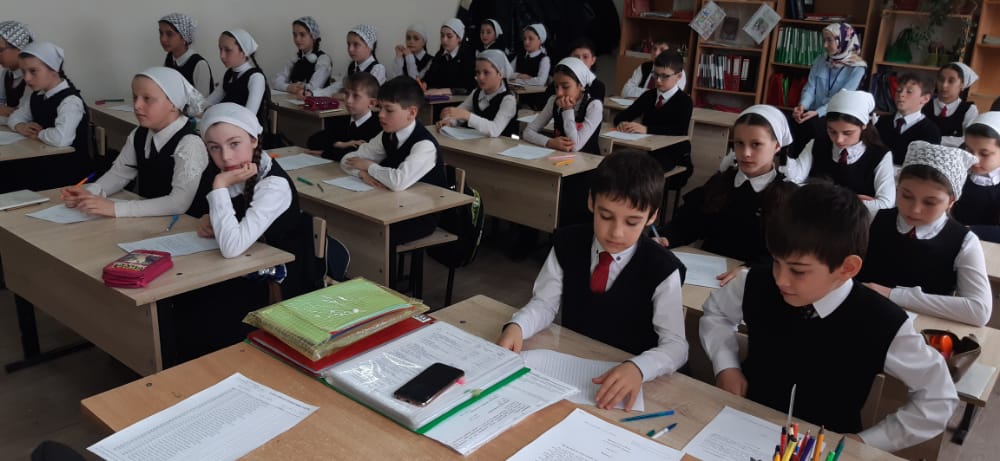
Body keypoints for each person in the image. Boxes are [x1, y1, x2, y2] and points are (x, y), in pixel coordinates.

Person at [700, 182, 959, 452]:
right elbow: (716, 314)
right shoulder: (753, 281)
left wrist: (866, 442)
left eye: (798, 270)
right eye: (776, 261)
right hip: (743, 425)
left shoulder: (883, 322)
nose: (780, 279)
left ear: (847, 268)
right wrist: (726, 366)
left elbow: (939, 398)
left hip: (822, 447)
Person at [497, 150, 687, 411]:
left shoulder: (662, 268)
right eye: (606, 216)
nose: (616, 232)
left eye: (632, 222)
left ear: (653, 216)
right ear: (591, 202)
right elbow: (544, 304)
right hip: (574, 364)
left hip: (632, 381)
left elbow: (676, 346)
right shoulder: (567, 242)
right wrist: (518, 326)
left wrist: (639, 368)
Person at [858, 141, 991, 326]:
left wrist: (892, 294)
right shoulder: (872, 217)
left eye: (930, 202)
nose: (915, 209)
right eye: (906, 196)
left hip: (919, 330)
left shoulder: (964, 242)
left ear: (951, 201)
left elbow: (979, 310)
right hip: (862, 316)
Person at [61, 67, 207, 217]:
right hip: (151, 220)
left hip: (184, 225)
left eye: (147, 98)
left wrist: (115, 208)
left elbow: (178, 203)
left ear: (173, 104)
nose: (137, 106)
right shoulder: (140, 133)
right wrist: (89, 193)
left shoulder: (190, 143)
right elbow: (119, 174)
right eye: (135, 97)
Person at [661, 105, 796, 266]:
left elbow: (785, 254)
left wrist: (748, 270)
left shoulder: (788, 197)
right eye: (739, 143)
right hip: (706, 271)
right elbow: (688, 223)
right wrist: (666, 238)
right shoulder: (721, 182)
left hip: (753, 277)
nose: (745, 153)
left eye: (756, 144)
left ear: (777, 146)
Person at [340, 76, 448, 245]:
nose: (381, 115)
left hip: (420, 214)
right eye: (380, 108)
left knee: (367, 231)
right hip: (393, 203)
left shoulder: (424, 145)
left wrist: (369, 166)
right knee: (348, 220)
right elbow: (347, 159)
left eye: (389, 110)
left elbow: (398, 181)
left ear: (411, 113)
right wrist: (361, 173)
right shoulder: (387, 135)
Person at [783, 90, 895, 215]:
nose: (839, 140)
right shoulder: (817, 144)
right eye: (832, 131)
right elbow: (794, 180)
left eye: (847, 133)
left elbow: (886, 203)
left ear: (864, 126)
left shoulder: (880, 155)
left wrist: (818, 195)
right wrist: (853, 201)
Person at [7, 41, 92, 191]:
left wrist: (39, 133)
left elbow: (61, 139)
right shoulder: (38, 95)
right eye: (24, 72)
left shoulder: (70, 101)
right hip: (45, 163)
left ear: (54, 69)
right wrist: (21, 126)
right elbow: (15, 117)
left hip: (68, 172)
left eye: (33, 71)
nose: (27, 78)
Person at [613, 50, 692, 185]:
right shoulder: (649, 96)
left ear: (678, 76)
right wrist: (622, 123)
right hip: (646, 149)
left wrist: (647, 129)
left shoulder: (684, 101)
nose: (658, 81)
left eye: (664, 76)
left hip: (671, 152)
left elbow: (679, 130)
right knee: (619, 164)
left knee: (642, 173)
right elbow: (622, 116)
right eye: (655, 75)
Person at [789, 23, 867, 155]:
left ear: (843, 41)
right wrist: (802, 106)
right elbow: (810, 87)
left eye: (829, 40)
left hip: (836, 115)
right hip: (812, 111)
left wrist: (818, 112)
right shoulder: (820, 60)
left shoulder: (858, 68)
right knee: (793, 121)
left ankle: (811, 164)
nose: (825, 45)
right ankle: (791, 163)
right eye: (824, 40)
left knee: (812, 126)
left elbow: (842, 98)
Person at [523, 57, 603, 155]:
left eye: (565, 87)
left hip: (587, 160)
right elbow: (528, 131)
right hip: (558, 158)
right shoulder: (553, 101)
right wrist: (549, 142)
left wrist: (567, 110)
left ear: (581, 85)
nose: (559, 93)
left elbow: (574, 146)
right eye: (556, 87)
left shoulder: (594, 106)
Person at [435, 49, 516, 137]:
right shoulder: (476, 93)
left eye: (486, 73)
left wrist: (468, 116)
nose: (480, 77)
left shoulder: (508, 100)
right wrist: (449, 121)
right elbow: (460, 111)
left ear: (500, 74)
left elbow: (495, 129)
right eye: (478, 72)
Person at [204, 29, 271, 130]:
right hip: (228, 127)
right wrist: (191, 109)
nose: (222, 55)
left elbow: (248, 116)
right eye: (220, 49)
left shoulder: (256, 77)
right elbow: (210, 100)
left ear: (244, 52)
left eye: (227, 50)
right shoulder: (229, 74)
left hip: (246, 132)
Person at [305, 72, 381, 160]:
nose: (348, 100)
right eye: (347, 94)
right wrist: (340, 144)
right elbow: (312, 141)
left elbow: (355, 155)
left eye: (356, 96)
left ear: (372, 103)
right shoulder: (341, 119)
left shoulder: (378, 126)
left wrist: (324, 153)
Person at [953, 112, 1000, 243]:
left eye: (984, 154)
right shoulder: (958, 170)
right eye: (969, 150)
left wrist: (963, 231)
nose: (974, 159)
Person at [875, 73, 941, 165]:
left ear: (925, 98)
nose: (901, 94)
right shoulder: (881, 122)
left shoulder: (931, 131)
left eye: (909, 91)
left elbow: (925, 166)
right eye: (898, 90)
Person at [312, 24, 385, 97]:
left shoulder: (378, 69)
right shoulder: (352, 66)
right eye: (348, 44)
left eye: (356, 44)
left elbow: (365, 96)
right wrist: (313, 93)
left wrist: (342, 95)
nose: (350, 49)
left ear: (370, 46)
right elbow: (338, 86)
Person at [271, 17, 331, 99]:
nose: (297, 39)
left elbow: (314, 87)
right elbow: (276, 81)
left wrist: (298, 87)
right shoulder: (296, 58)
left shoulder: (323, 59)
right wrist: (288, 87)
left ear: (313, 36)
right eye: (295, 35)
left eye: (302, 35)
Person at [924, 62, 980, 148]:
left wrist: (937, 139)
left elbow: (969, 138)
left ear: (962, 85)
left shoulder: (969, 109)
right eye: (941, 79)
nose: (944, 85)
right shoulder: (923, 103)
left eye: (951, 81)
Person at [158, 13, 213, 97]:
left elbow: (202, 101)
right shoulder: (170, 58)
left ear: (184, 37)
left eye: (169, 34)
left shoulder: (199, 64)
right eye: (161, 33)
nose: (163, 39)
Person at [422, 18, 475, 93]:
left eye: (449, 36)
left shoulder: (467, 58)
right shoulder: (439, 55)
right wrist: (425, 83)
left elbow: (468, 88)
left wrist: (443, 91)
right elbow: (430, 75)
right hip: (435, 96)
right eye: (442, 35)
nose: (444, 40)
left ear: (459, 38)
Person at [620, 40, 686, 97]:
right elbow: (625, 91)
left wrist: (640, 92)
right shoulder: (644, 66)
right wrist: (651, 93)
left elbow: (669, 96)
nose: (656, 53)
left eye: (662, 50)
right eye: (654, 49)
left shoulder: (677, 71)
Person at [0, 21, 32, 125]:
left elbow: (25, 116)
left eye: (0, 50)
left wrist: (10, 112)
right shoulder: (6, 74)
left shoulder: (35, 77)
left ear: (19, 47)